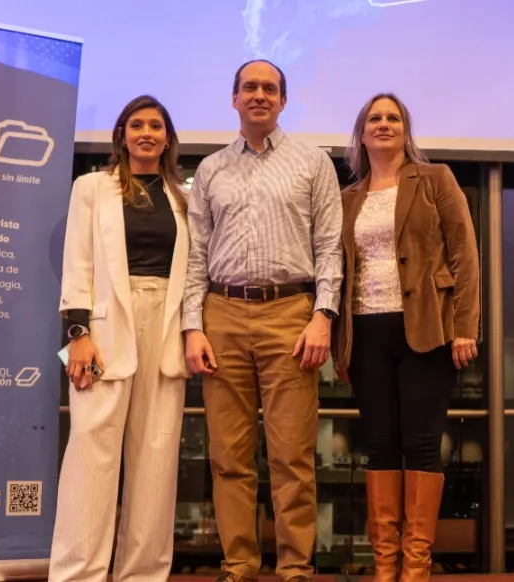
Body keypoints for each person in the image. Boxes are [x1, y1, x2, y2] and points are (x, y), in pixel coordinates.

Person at [182, 59, 343, 582]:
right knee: (229, 456)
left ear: (283, 100)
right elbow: (196, 255)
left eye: (269, 88)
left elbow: (329, 249)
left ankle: (295, 567)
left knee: (292, 455)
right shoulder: (209, 170)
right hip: (222, 314)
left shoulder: (313, 162)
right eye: (249, 87)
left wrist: (323, 316)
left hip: (290, 316)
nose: (259, 95)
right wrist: (193, 326)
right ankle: (240, 565)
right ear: (234, 99)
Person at [332, 93, 480, 582]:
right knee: (379, 446)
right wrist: (339, 342)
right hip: (366, 332)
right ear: (361, 131)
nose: (383, 124)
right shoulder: (348, 196)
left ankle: (416, 563)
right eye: (374, 118)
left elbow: (464, 254)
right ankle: (385, 563)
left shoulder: (435, 179)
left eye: (393, 118)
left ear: (406, 129)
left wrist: (465, 328)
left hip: (427, 330)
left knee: (420, 445)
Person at [51, 95, 191, 582]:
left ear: (168, 138)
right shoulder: (91, 187)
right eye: (137, 125)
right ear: (122, 134)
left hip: (167, 330)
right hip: (104, 331)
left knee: (156, 458)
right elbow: (77, 263)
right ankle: (77, 574)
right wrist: (78, 334)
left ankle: (143, 574)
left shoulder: (184, 199)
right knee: (91, 453)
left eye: (156, 125)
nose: (147, 133)